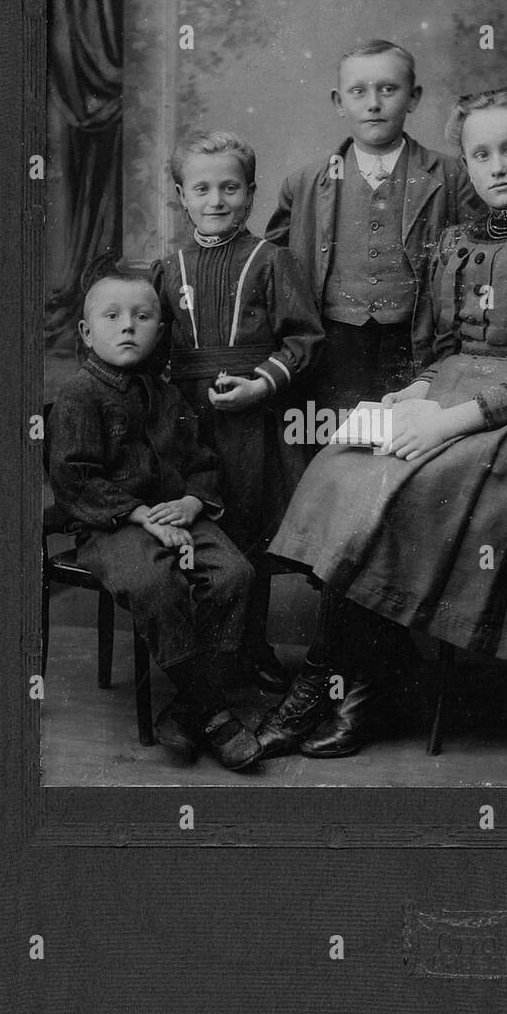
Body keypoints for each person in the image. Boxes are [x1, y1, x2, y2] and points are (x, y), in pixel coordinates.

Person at [258, 84, 507, 759]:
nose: (497, 166)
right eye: (481, 154)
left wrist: (446, 424)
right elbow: (444, 349)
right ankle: (364, 675)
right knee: (342, 470)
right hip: (449, 394)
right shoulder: (454, 239)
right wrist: (412, 394)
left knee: (404, 494)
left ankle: (328, 688)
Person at [45, 265, 264, 771]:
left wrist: (192, 502)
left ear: (159, 330)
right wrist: (139, 514)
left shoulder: (167, 396)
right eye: (113, 316)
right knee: (154, 583)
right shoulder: (80, 397)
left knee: (235, 575)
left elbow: (201, 460)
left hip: (177, 514)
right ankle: (212, 710)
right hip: (112, 524)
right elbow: (73, 477)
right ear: (85, 331)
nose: (128, 327)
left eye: (142, 317)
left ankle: (189, 708)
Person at [150, 130, 324, 691]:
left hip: (253, 415)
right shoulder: (168, 265)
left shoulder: (272, 260)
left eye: (230, 187)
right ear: (181, 195)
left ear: (251, 193)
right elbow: (152, 348)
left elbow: (302, 341)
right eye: (202, 188)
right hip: (185, 418)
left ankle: (254, 647)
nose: (216, 199)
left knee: (249, 528)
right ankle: (199, 658)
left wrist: (259, 386)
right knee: (194, 526)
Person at [265, 39, 479, 423]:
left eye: (388, 89)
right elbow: (272, 270)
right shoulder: (305, 183)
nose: (374, 103)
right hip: (334, 343)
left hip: (416, 341)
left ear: (413, 98)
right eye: (358, 91)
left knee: (406, 442)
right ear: (338, 101)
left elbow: (479, 263)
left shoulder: (451, 176)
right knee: (336, 442)